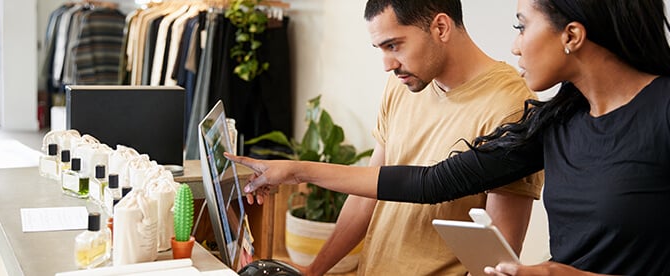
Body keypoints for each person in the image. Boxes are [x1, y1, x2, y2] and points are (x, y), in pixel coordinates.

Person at [227, 0, 670, 275]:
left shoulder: (662, 111)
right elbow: (431, 182)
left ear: (572, 35)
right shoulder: (556, 122)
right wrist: (294, 171)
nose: (514, 45)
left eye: (521, 25)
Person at [254, 1, 544, 275]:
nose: (387, 64)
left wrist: (300, 171)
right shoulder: (403, 85)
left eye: (394, 45)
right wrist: (313, 271)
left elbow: (496, 256)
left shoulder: (511, 106)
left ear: (440, 28)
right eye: (380, 48)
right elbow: (366, 196)